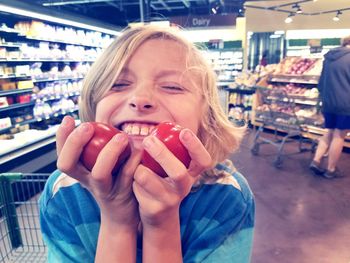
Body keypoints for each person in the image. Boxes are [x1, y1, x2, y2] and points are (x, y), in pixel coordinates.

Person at [39, 25, 255, 262]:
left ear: (206, 117)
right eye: (118, 84)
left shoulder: (225, 196)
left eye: (172, 86)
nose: (140, 99)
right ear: (93, 104)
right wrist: (117, 221)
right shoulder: (63, 194)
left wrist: (161, 223)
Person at [309, 35, 350, 179]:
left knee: (328, 132)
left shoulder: (329, 58)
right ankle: (331, 169)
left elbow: (321, 84)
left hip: (328, 103)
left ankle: (316, 160)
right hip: (345, 104)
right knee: (339, 136)